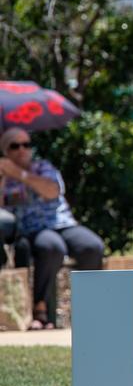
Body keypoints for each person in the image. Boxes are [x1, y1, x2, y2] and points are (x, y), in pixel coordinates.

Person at [0, 127, 103, 329]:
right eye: (15, 146)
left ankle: (91, 307)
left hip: (63, 223)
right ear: (6, 151)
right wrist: (4, 178)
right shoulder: (3, 177)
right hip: (32, 230)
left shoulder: (44, 167)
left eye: (26, 144)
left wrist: (20, 174)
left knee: (92, 246)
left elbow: (52, 191)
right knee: (51, 247)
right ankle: (41, 309)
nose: (22, 149)